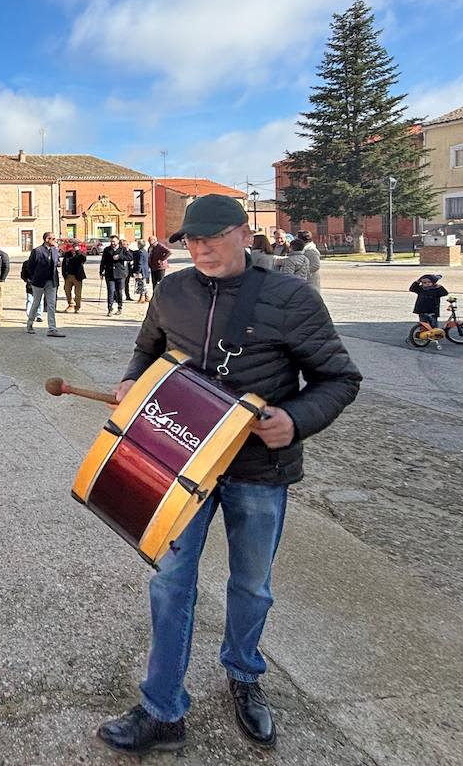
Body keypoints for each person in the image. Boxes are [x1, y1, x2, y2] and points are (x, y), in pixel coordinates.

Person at [99, 195, 361, 757]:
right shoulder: (171, 291)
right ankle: (163, 708)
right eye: (191, 240)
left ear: (246, 233)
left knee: (251, 586)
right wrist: (130, 382)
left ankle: (244, 675)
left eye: (213, 237)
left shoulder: (291, 298)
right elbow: (146, 352)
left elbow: (339, 379)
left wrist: (295, 419)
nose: (200, 249)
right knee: (171, 583)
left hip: (258, 472)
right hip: (179, 463)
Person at [25, 232, 66, 337]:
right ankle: (29, 324)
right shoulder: (37, 251)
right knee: (36, 303)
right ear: (47, 239)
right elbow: (30, 266)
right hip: (39, 282)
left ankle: (52, 329)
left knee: (51, 305)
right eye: (53, 239)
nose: (55, 240)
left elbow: (57, 262)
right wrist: (34, 278)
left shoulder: (55, 250)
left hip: (51, 281)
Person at [100, 235, 132, 316]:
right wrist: (101, 271)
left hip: (120, 274)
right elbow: (103, 261)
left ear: (118, 241)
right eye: (111, 241)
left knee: (119, 292)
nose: (112, 243)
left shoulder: (123, 249)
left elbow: (130, 257)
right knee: (110, 291)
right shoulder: (107, 249)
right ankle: (110, 308)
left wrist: (120, 257)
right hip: (109, 274)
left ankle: (119, 307)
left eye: (114, 241)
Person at [61, 240, 88, 313]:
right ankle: (70, 304)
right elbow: (64, 265)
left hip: (78, 276)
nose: (74, 249)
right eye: (73, 247)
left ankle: (77, 307)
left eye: (76, 247)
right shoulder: (67, 254)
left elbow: (83, 259)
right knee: (67, 291)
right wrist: (64, 275)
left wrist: (78, 251)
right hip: (68, 276)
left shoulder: (81, 254)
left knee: (78, 293)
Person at [129, 237, 151, 302]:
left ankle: (142, 297)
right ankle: (147, 296)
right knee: (143, 283)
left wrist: (137, 271)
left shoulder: (140, 252)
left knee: (141, 284)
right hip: (145, 270)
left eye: (138, 244)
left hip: (141, 271)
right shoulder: (145, 251)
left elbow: (140, 262)